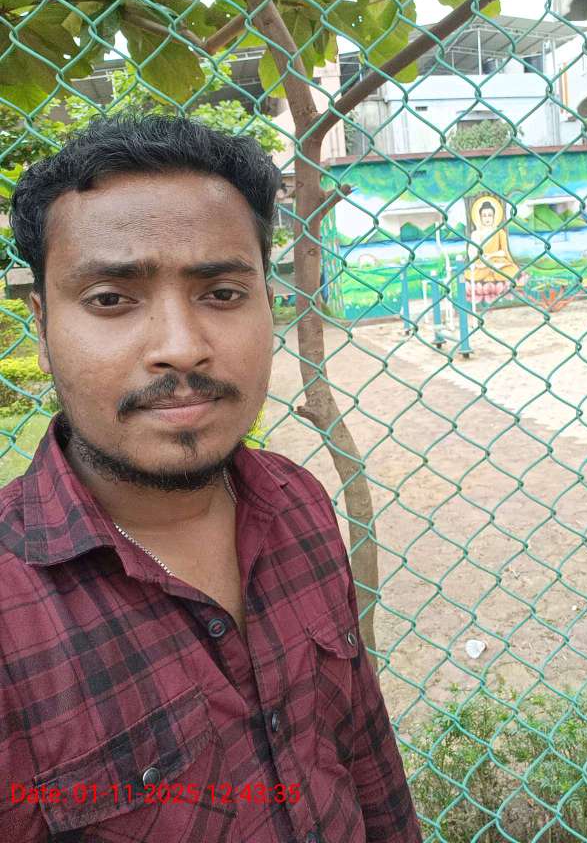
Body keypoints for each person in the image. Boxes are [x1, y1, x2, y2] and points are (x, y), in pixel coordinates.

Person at [0, 114, 423, 843]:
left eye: (222, 293)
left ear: (269, 301)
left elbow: (366, 759)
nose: (181, 348)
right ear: (41, 326)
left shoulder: (298, 503)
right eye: (111, 299)